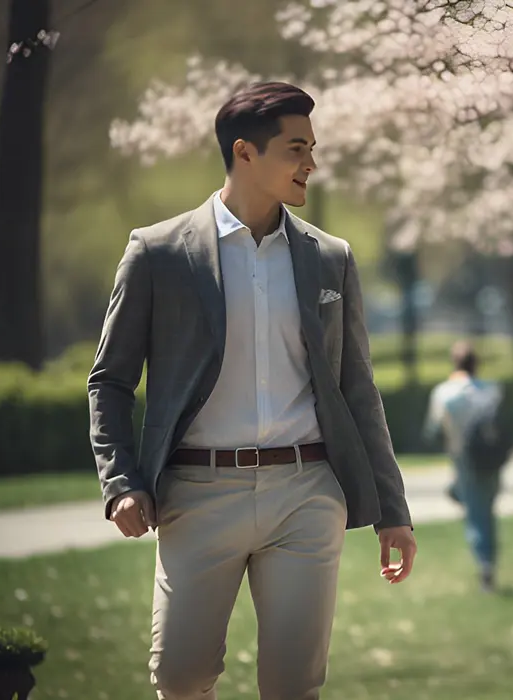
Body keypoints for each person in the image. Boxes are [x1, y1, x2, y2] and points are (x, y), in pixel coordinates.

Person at [87, 82, 417, 700]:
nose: (311, 165)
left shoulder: (331, 258)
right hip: (197, 492)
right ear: (245, 152)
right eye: (297, 149)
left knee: (294, 686)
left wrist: (392, 512)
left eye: (312, 148)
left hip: (307, 491)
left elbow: (357, 388)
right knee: (180, 678)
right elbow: (109, 378)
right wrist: (120, 481)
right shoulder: (157, 253)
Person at [424, 341, 506, 591]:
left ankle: (485, 565)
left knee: (476, 514)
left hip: (464, 459)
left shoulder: (445, 393)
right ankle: (488, 559)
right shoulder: (492, 390)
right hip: (493, 459)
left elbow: (434, 429)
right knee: (487, 510)